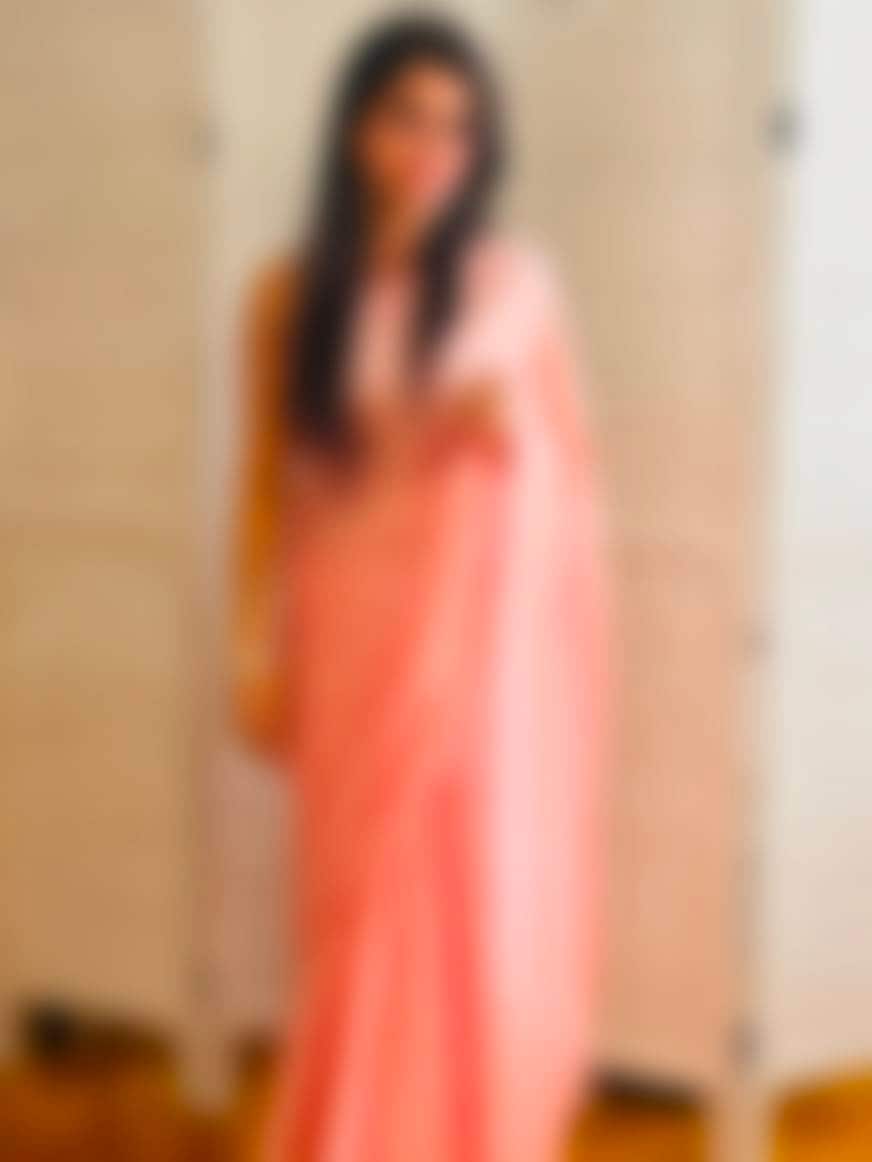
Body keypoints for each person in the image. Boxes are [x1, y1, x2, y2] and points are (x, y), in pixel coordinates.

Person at [233, 15, 607, 1161]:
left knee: (459, 903)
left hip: (466, 654)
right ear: (356, 129)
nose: (433, 148)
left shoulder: (508, 283)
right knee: (348, 908)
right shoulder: (288, 294)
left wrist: (503, 432)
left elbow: (548, 455)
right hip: (343, 627)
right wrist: (253, 647)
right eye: (407, 117)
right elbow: (264, 487)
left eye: (457, 126)